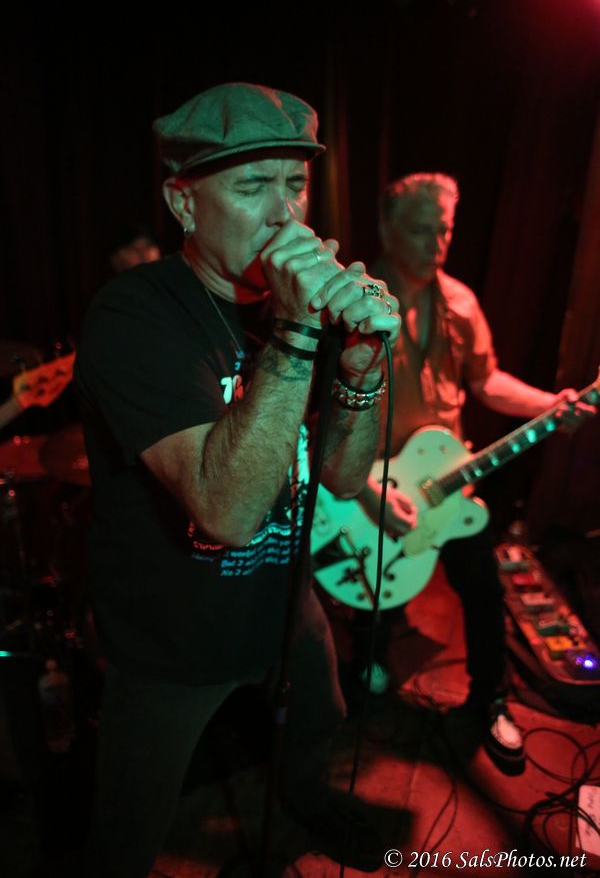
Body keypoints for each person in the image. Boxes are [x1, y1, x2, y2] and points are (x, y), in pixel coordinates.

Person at [74, 82, 400, 877]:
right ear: (184, 203)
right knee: (130, 825)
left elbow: (343, 476)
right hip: (170, 637)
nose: (286, 213)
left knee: (319, 717)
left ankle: (307, 803)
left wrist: (361, 373)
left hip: (283, 601)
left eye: (295, 184)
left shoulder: (302, 306)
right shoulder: (135, 315)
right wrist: (295, 334)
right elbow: (225, 511)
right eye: (253, 186)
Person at [354, 172, 591, 773]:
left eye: (445, 230)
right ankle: (362, 678)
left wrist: (549, 403)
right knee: (374, 600)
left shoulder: (459, 302)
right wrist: (363, 487)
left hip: (447, 484)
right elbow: (319, 413)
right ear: (385, 227)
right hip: (372, 487)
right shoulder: (352, 302)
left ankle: (490, 699)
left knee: (484, 593)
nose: (436, 245)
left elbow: (486, 381)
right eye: (421, 230)